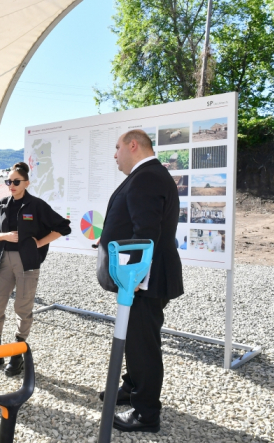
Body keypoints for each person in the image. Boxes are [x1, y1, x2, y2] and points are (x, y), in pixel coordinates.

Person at [97, 130, 183, 433]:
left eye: (117, 147)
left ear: (133, 145)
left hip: (143, 281)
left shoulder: (146, 177)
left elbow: (146, 233)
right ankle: (131, 387)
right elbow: (137, 225)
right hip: (141, 279)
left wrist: (134, 277)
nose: (115, 154)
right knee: (135, 340)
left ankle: (147, 414)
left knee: (142, 345)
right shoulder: (149, 175)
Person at [0, 162, 71, 376]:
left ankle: (16, 357)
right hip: (4, 261)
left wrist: (39, 243)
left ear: (26, 183)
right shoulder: (1, 205)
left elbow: (63, 227)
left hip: (27, 263)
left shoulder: (36, 206)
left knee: (23, 307)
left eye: (16, 181)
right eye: (8, 181)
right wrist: (5, 236)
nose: (11, 185)